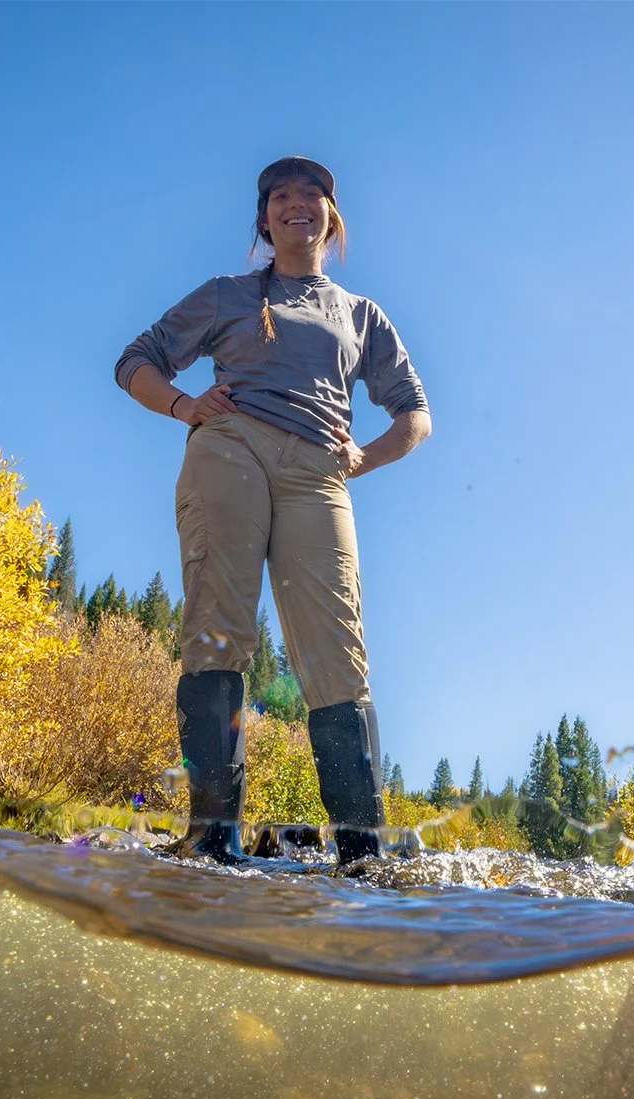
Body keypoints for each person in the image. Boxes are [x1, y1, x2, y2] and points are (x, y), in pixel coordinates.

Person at [115, 156, 432, 865]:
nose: (298, 204)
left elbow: (415, 416)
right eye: (281, 196)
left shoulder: (361, 315)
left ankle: (361, 852)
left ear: (332, 215)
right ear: (264, 219)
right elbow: (138, 357)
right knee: (220, 635)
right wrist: (183, 404)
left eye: (313, 194)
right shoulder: (228, 294)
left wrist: (364, 457)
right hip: (231, 447)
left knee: (339, 659)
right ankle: (212, 838)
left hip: (319, 472)